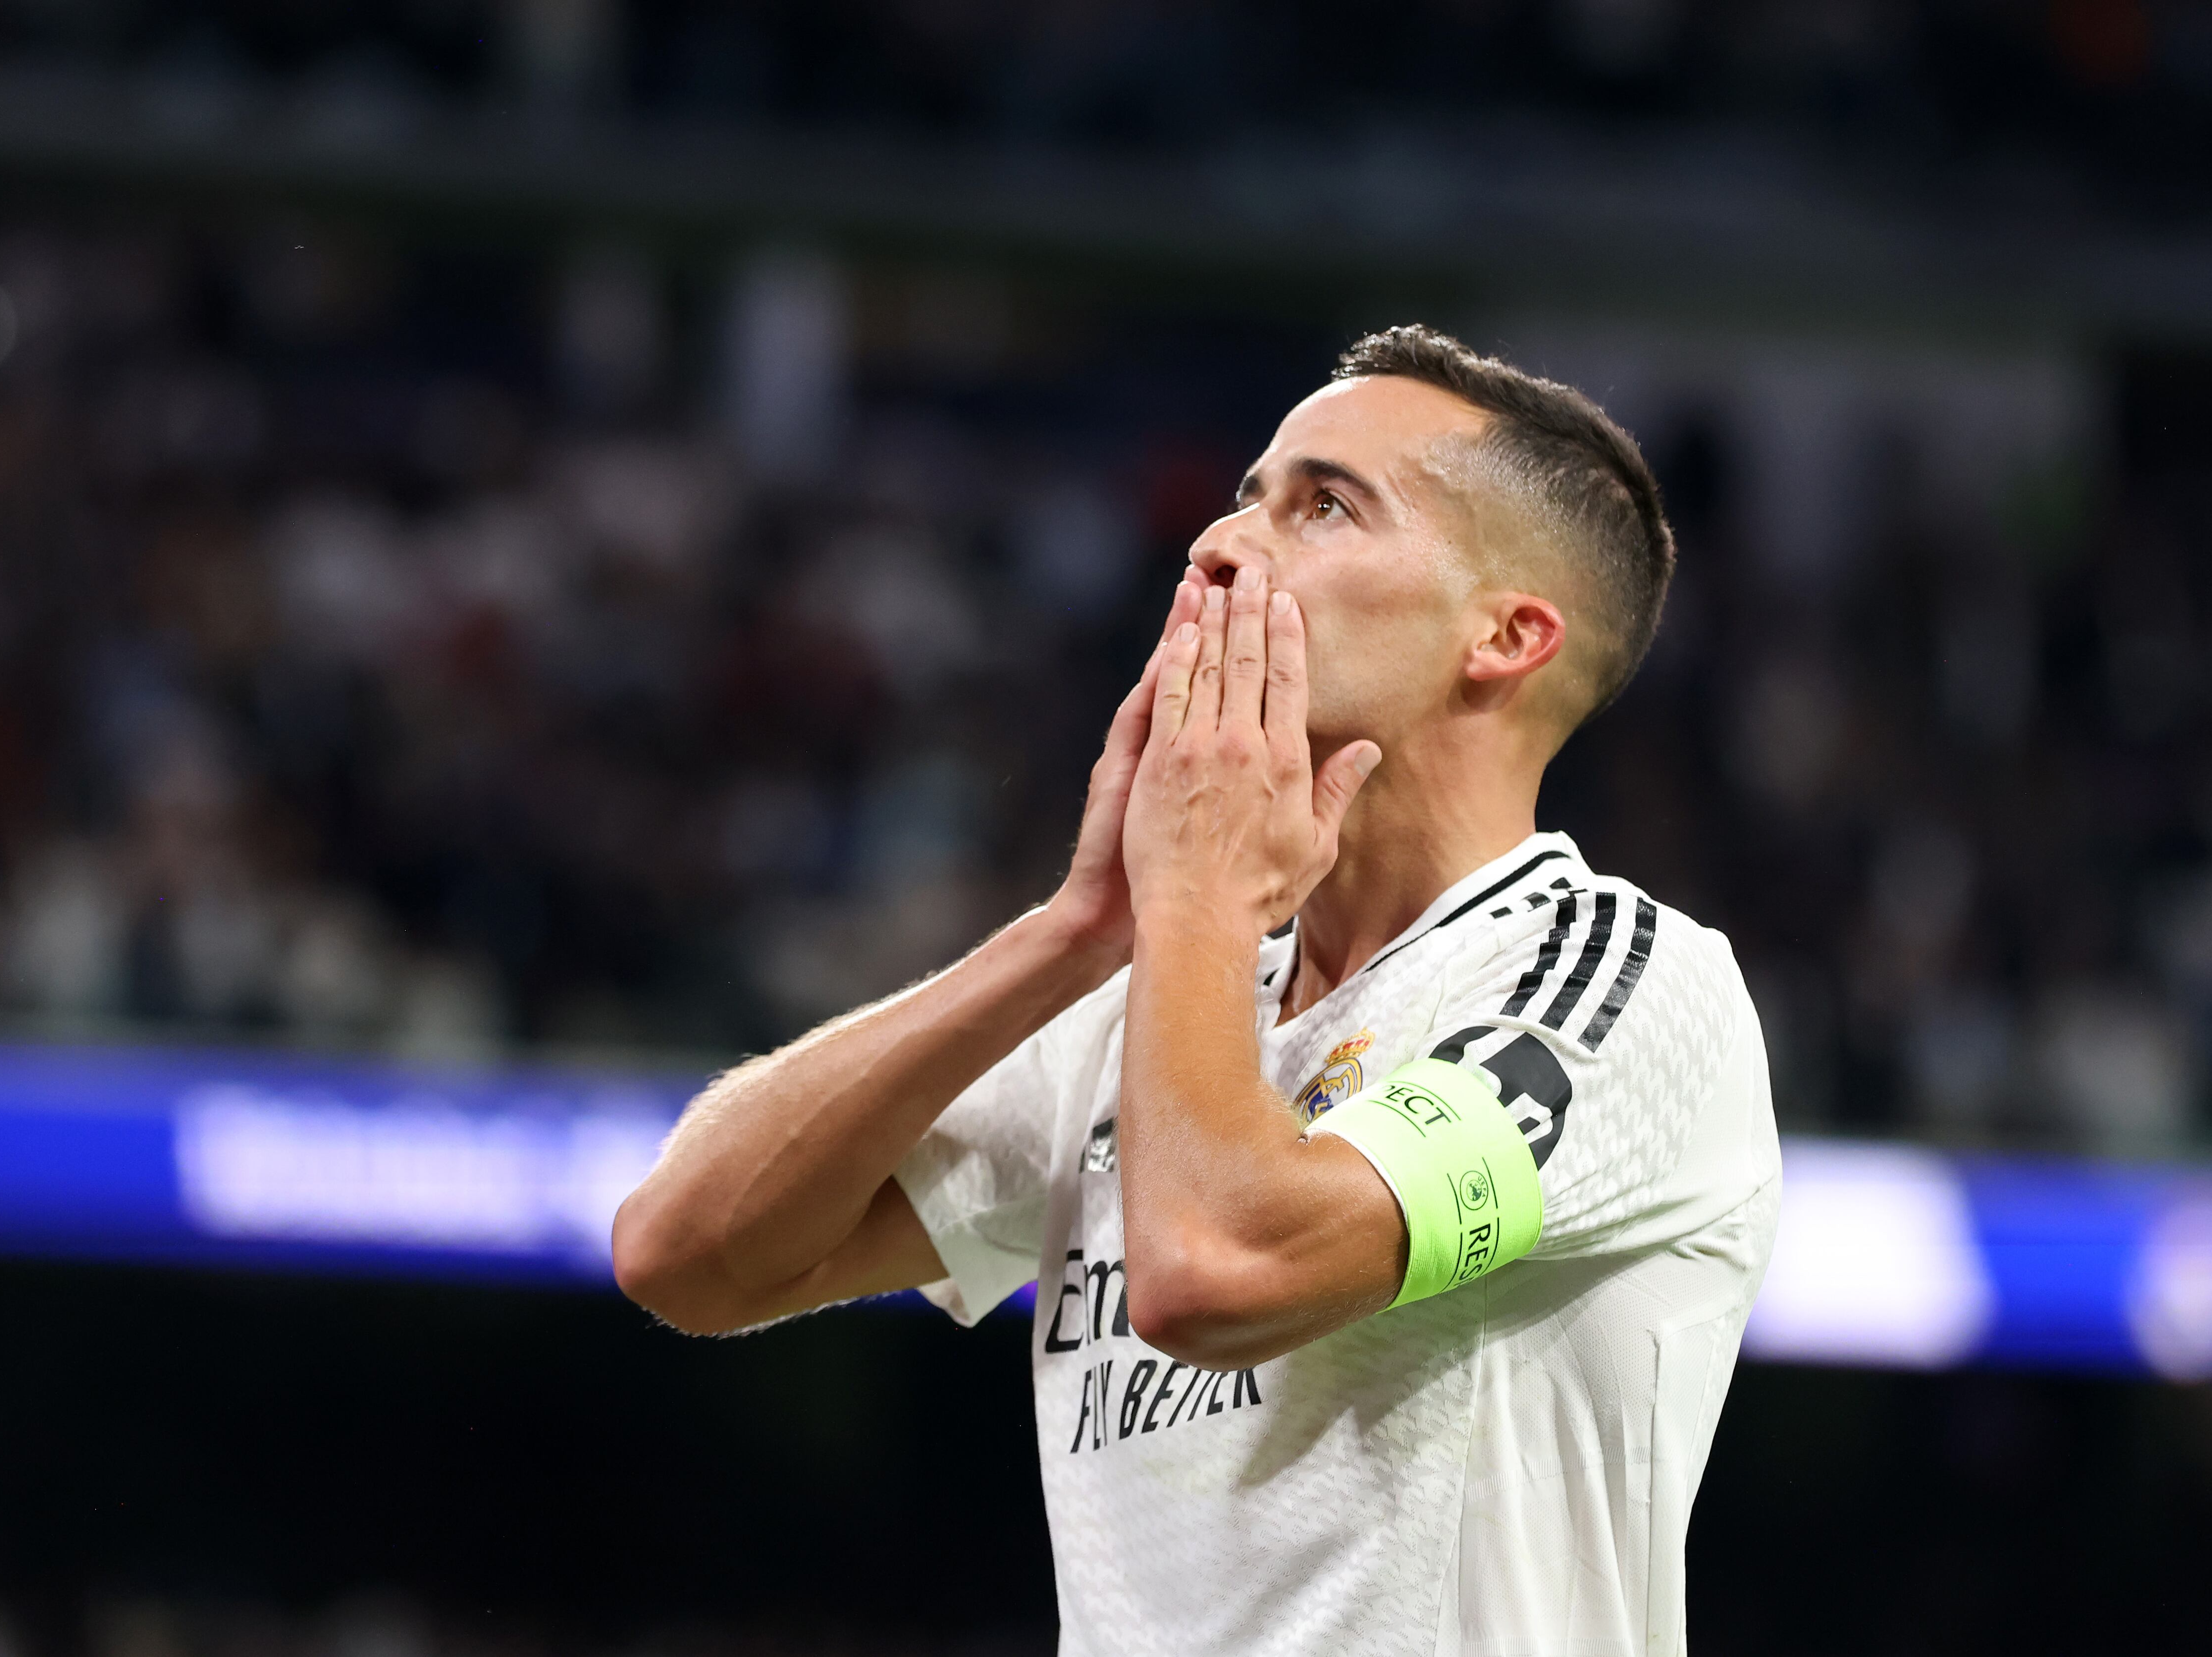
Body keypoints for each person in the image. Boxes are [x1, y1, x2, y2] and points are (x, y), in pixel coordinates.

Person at [612, 326, 1781, 1656]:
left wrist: (1194, 906)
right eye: (1243, 500)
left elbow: (1213, 1271)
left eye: (1325, 508)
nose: (1219, 550)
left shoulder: (1621, 981)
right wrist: (1076, 930)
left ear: (1506, 637)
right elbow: (686, 1256)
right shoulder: (1162, 975)